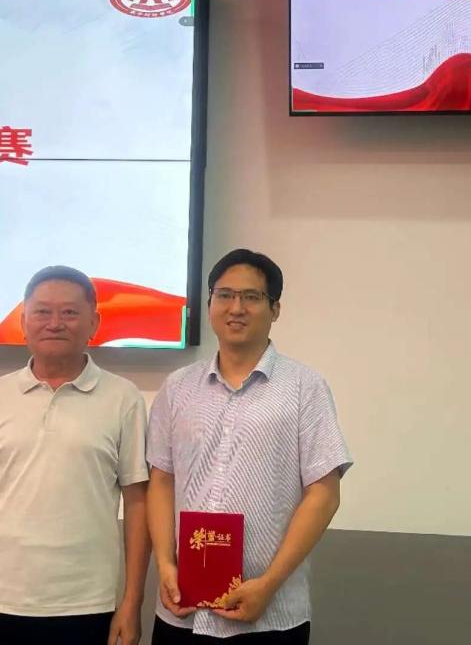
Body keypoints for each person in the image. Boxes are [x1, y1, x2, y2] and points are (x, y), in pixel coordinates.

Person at [0, 266, 150, 645]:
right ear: (23, 322)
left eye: (69, 312)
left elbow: (138, 504)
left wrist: (132, 604)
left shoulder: (123, 399)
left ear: (93, 323)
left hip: (83, 604)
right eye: (42, 312)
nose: (55, 323)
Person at [146, 249, 352, 643]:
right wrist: (166, 565)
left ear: (275, 309)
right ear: (210, 304)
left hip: (270, 613)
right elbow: (162, 479)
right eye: (224, 295)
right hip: (182, 609)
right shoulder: (177, 388)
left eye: (251, 297)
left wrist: (269, 583)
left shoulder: (305, 388)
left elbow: (324, 494)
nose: (236, 307)